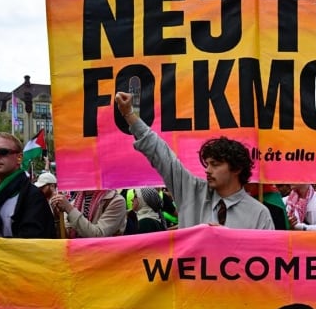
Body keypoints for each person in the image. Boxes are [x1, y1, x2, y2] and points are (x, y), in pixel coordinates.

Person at [115, 91, 273, 230]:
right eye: (208, 164)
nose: (208, 170)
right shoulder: (190, 190)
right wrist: (129, 114)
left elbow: (267, 260)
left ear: (237, 169)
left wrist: (227, 241)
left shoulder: (259, 215)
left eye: (215, 165)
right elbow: (161, 154)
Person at [51, 189, 127, 238]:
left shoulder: (116, 201)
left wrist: (69, 209)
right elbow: (67, 237)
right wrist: (58, 218)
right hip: (77, 257)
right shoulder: (77, 201)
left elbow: (98, 235)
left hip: (104, 259)